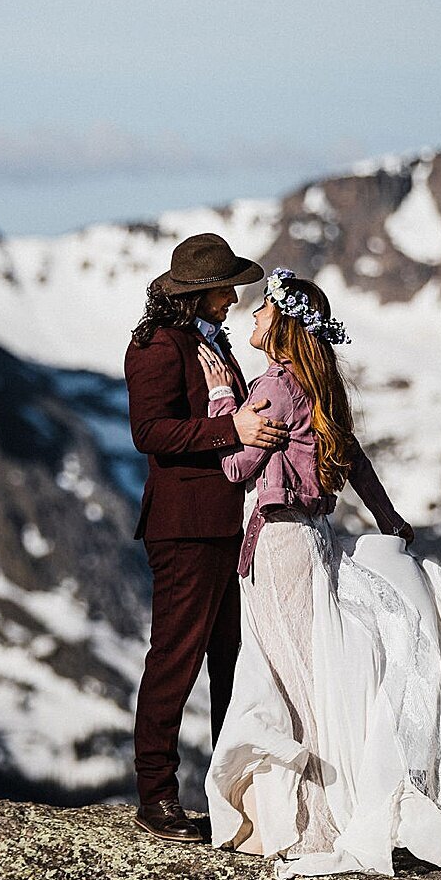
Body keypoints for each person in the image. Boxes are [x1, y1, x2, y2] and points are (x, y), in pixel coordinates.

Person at [201, 268, 441, 877]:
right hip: (308, 540)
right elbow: (355, 460)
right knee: (305, 675)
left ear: (286, 326)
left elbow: (238, 469)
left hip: (280, 548)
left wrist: (222, 401)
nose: (253, 313)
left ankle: (315, 823)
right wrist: (388, 516)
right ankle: (312, 815)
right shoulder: (313, 387)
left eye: (264, 307)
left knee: (294, 684)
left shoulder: (274, 385)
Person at [124, 232, 290, 842]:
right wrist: (232, 429)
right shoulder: (157, 348)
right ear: (201, 292)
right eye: (226, 289)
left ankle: (232, 793)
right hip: (183, 527)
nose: (234, 299)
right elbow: (151, 432)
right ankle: (156, 795)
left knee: (229, 662)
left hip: (223, 523)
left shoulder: (208, 341)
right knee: (176, 658)